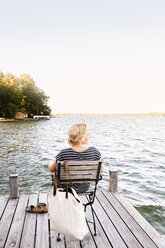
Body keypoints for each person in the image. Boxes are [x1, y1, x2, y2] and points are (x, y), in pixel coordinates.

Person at [48, 123, 104, 194]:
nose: (88, 137)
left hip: (67, 190)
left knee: (55, 172)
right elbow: (101, 170)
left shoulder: (64, 153)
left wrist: (49, 162)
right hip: (84, 189)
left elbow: (52, 169)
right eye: (87, 135)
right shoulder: (94, 152)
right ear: (82, 137)